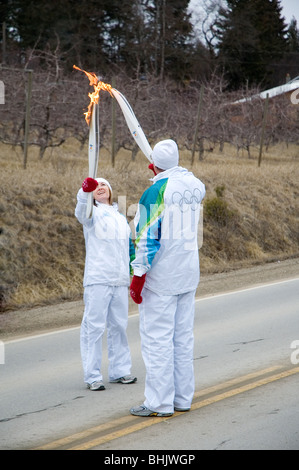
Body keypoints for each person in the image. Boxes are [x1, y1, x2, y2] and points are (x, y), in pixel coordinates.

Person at [129, 139, 205, 416]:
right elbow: (182, 180)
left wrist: (138, 276)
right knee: (182, 338)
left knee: (157, 340)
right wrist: (163, 169)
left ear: (153, 165)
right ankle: (182, 398)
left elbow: (147, 238)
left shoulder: (155, 192)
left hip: (162, 279)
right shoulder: (196, 186)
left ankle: (159, 402)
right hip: (188, 273)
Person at [75, 176, 137, 390]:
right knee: (94, 328)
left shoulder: (120, 217)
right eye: (96, 186)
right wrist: (84, 192)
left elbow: (129, 248)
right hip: (98, 279)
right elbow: (81, 210)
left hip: (120, 280)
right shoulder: (91, 213)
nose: (100, 188)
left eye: (104, 185)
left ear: (110, 190)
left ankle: (120, 371)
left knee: (119, 326)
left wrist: (132, 272)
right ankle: (92, 376)